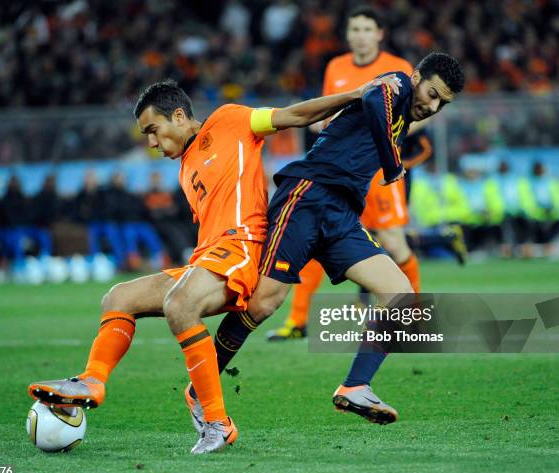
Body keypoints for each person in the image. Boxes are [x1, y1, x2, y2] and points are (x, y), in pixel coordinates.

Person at [27, 76, 400, 453]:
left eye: (154, 131)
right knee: (117, 297)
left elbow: (294, 115)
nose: (152, 143)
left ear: (178, 115)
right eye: (146, 136)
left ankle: (217, 423)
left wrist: (355, 94)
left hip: (242, 248)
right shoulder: (185, 168)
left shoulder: (230, 120)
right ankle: (92, 380)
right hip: (209, 257)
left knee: (181, 304)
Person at [186, 53, 464, 427]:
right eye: (431, 93)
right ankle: (199, 388)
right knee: (263, 303)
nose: (432, 106)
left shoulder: (402, 117)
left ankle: (355, 386)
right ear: (416, 77)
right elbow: (369, 98)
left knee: (399, 293)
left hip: (342, 215)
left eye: (441, 103)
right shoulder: (396, 82)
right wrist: (392, 163)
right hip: (307, 196)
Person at [268, 6, 417, 340]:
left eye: (367, 29)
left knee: (394, 240)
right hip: (337, 171)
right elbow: (327, 109)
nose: (360, 36)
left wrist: (391, 147)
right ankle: (297, 321)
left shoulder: (399, 70)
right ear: (347, 35)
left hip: (378, 168)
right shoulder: (336, 66)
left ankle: (412, 314)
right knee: (316, 238)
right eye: (355, 29)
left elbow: (413, 115)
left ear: (380, 34)